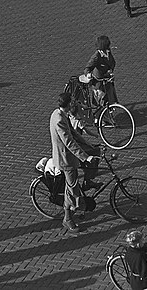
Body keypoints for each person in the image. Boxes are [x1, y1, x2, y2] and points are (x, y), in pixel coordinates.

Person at [48, 90, 100, 232]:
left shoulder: (60, 114)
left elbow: (74, 133)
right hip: (65, 159)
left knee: (96, 152)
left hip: (69, 155)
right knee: (72, 189)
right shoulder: (59, 120)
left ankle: (88, 181)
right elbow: (69, 142)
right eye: (71, 102)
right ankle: (68, 218)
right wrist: (85, 157)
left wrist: (89, 146)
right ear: (68, 104)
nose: (73, 104)